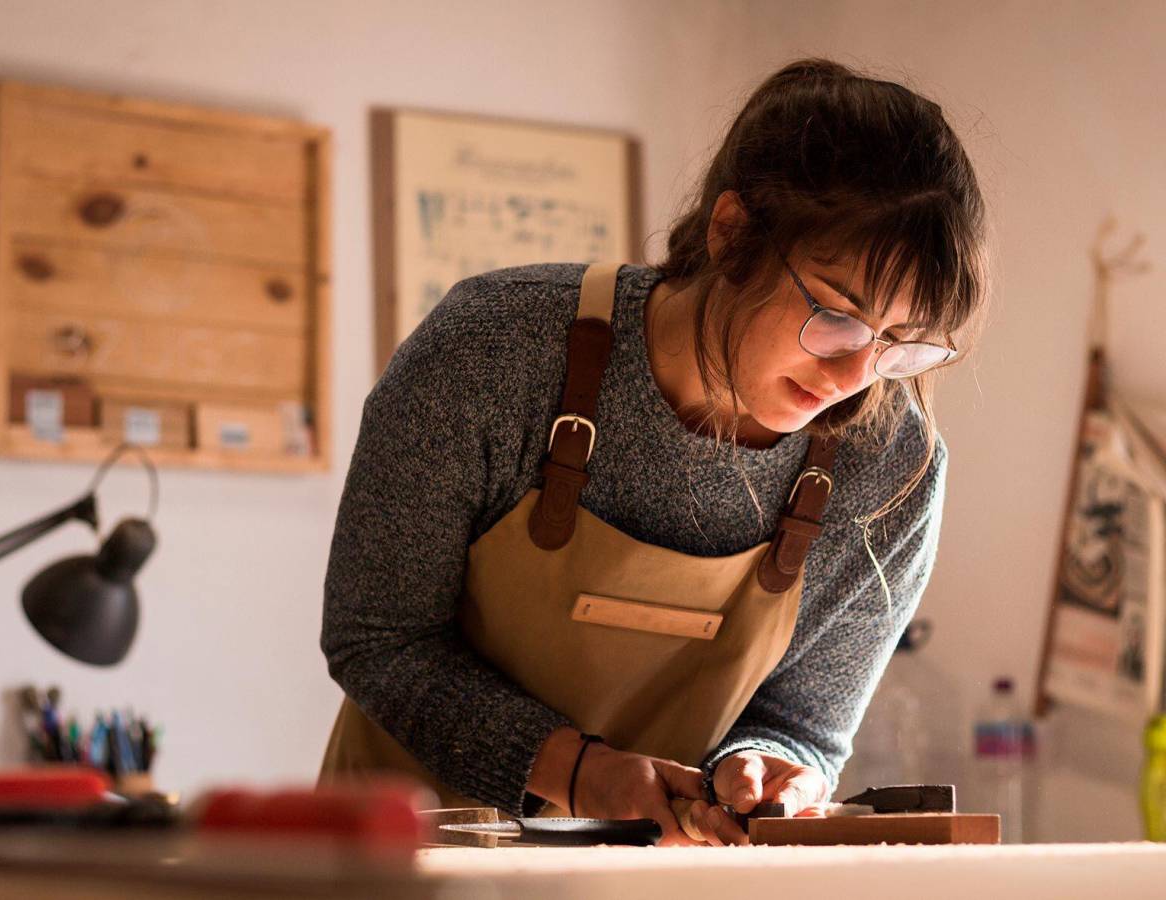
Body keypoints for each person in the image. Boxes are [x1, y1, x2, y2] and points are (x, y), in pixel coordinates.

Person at [320, 58, 988, 847]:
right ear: (732, 231)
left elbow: (805, 724)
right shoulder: (496, 349)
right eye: (838, 316)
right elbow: (379, 636)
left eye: (901, 344)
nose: (855, 376)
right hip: (403, 861)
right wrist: (579, 773)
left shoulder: (890, 465)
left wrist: (770, 771)